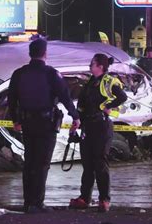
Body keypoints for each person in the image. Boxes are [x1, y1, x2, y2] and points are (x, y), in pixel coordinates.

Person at [8, 38, 81, 214]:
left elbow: (12, 99)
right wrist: (75, 116)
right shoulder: (51, 74)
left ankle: (28, 202)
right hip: (46, 124)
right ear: (45, 54)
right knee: (42, 164)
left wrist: (16, 120)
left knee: (30, 162)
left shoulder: (18, 74)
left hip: (27, 123)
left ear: (30, 54)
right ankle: (37, 203)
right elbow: (65, 96)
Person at [69, 54, 127, 212]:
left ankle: (104, 200)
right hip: (87, 126)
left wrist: (109, 106)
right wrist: (76, 122)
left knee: (100, 164)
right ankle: (84, 198)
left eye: (92, 63)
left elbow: (122, 96)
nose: (89, 66)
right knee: (87, 165)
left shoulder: (108, 81)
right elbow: (82, 106)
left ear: (100, 66)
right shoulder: (89, 83)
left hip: (102, 126)